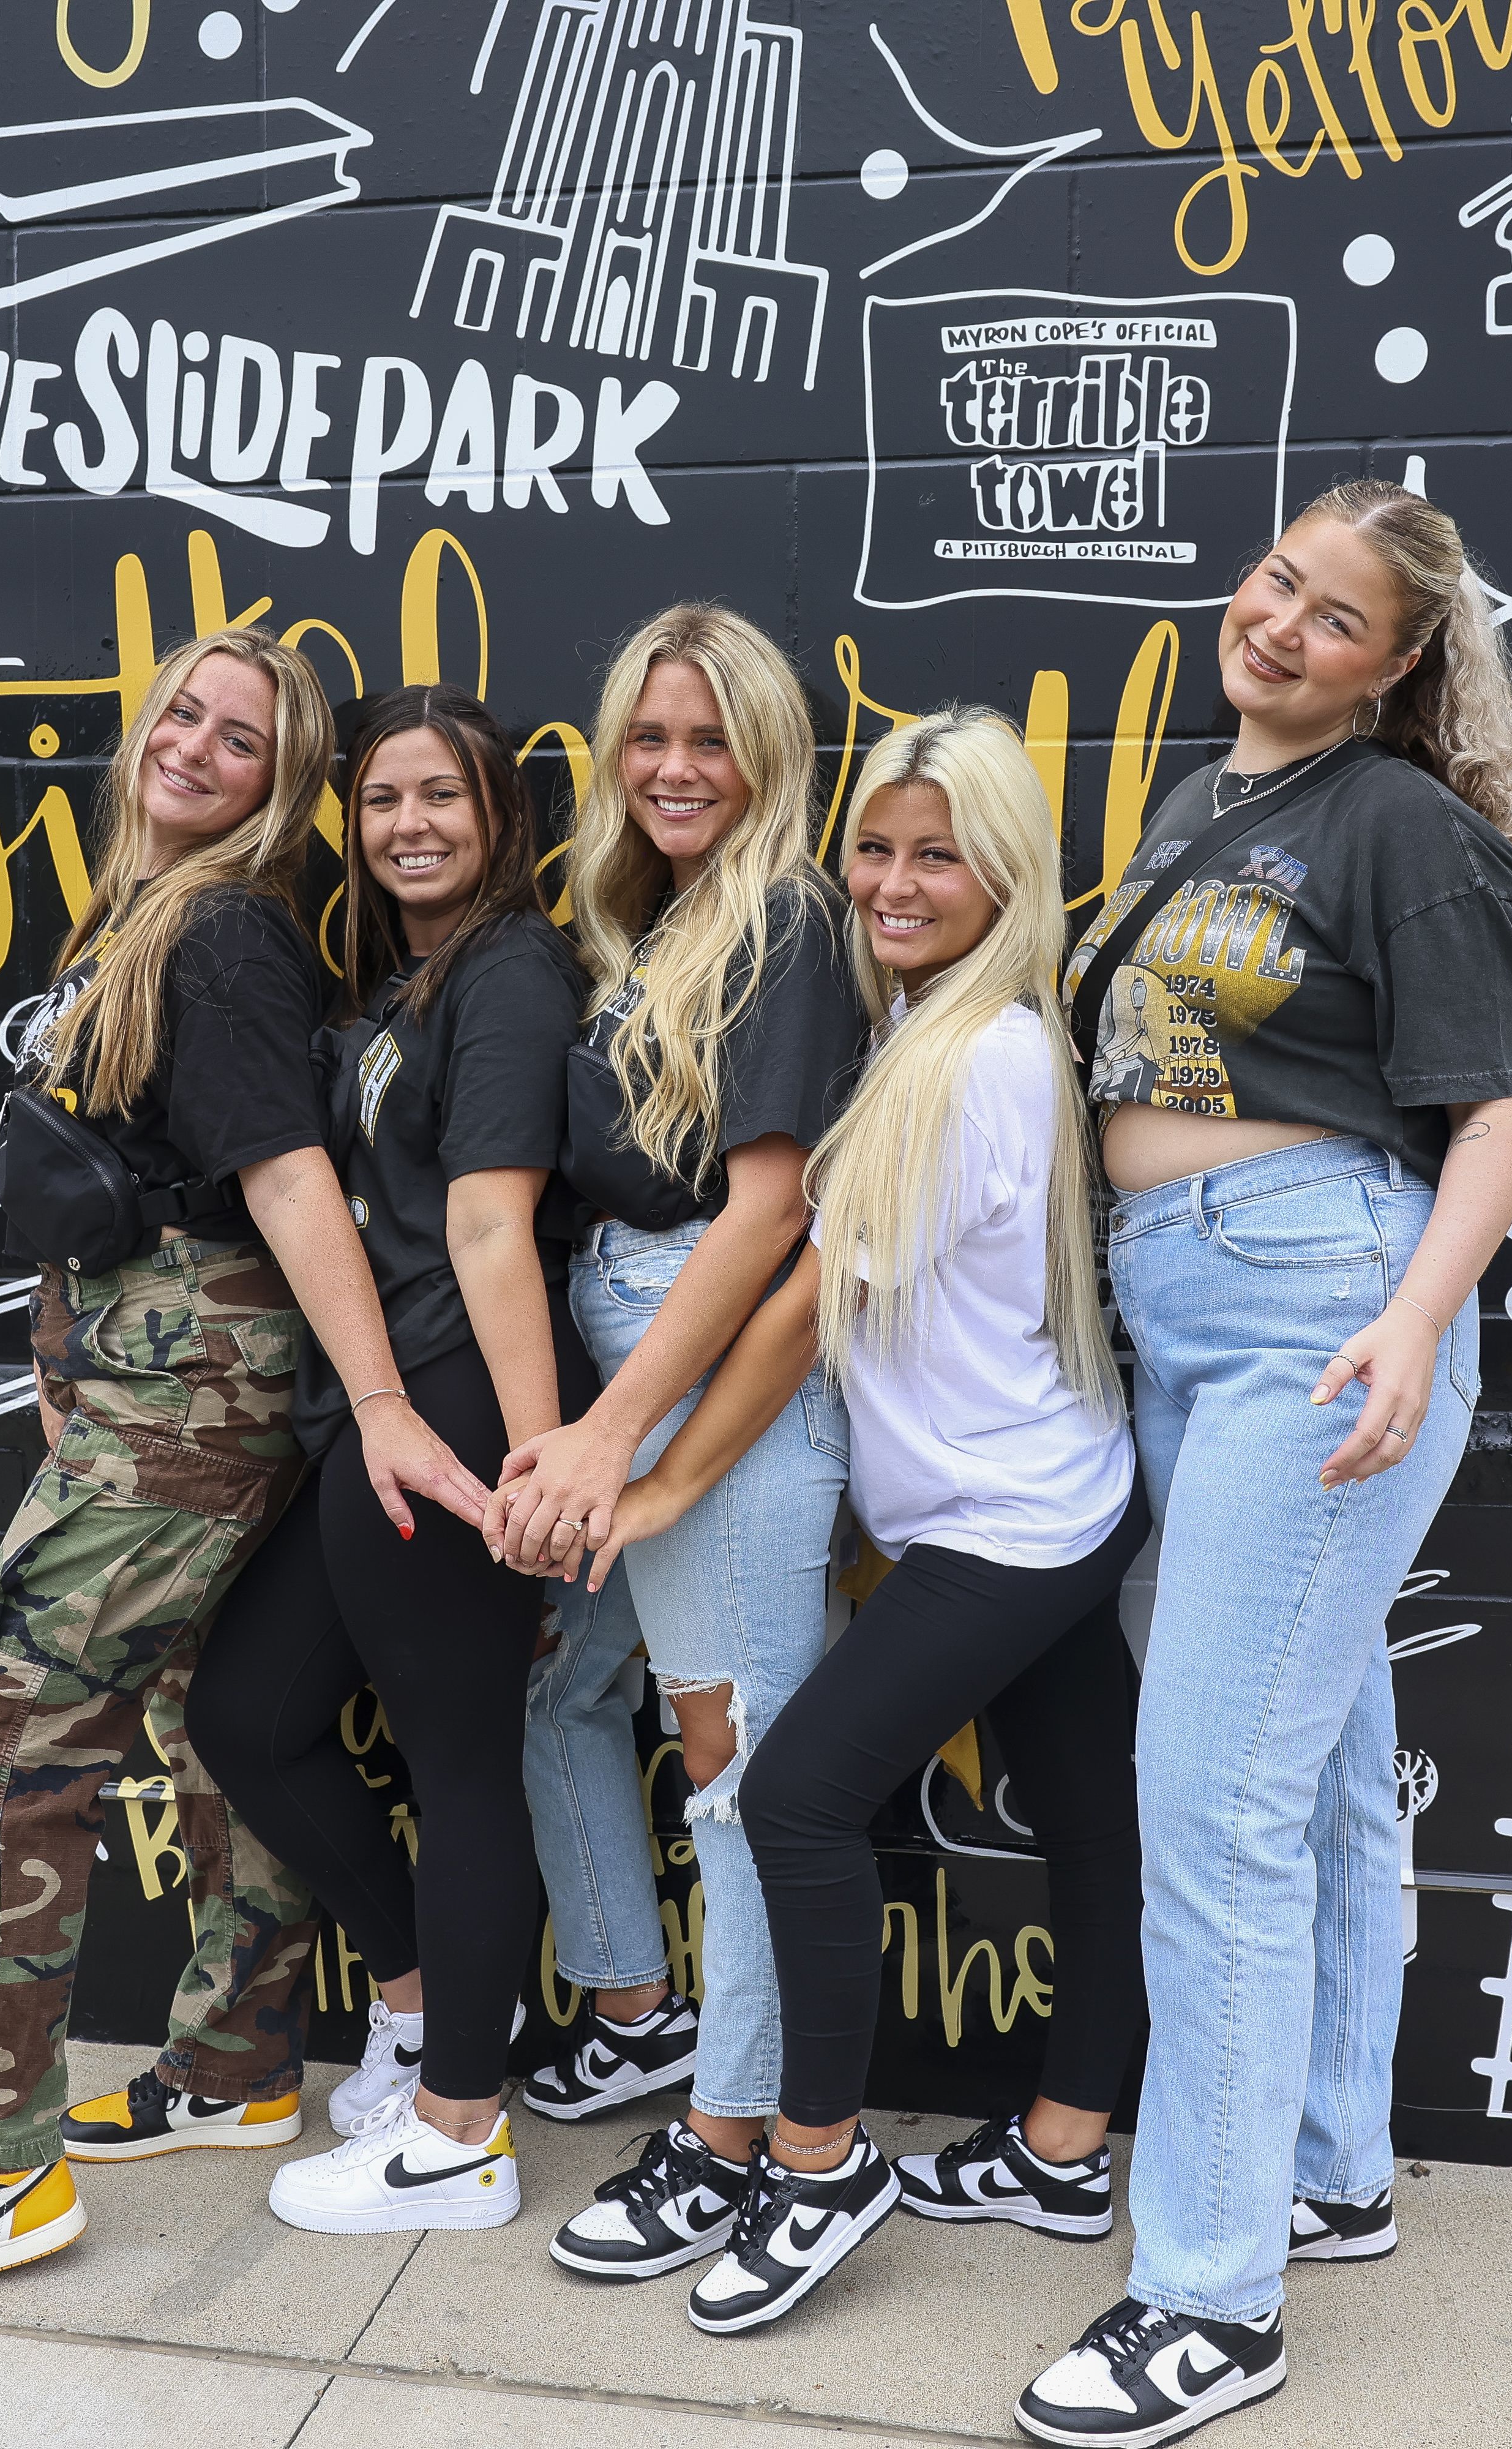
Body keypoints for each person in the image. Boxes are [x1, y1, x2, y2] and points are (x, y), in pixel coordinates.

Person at [0, 630, 492, 2310]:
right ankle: (243, 2060)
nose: (196, 744)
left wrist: (381, 1400)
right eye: (184, 709)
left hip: (196, 1371)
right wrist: (73, 1358)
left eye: (243, 739)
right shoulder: (153, 907)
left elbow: (285, 1183)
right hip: (149, 1358)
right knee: (192, 1714)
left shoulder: (232, 932)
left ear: (281, 790)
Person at [1008, 484, 1512, 2446]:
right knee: (1311, 1776)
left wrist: (1409, 1322)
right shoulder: (1200, 806)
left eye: (1334, 619)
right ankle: (1331, 2169)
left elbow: (1501, 1111)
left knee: (1212, 1800)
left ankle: (1209, 2303)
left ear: (1397, 666)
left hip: (1321, 1311)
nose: (1283, 624)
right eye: (1275, 583)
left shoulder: (1402, 824)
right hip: (1191, 1320)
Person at [513, 710, 1150, 2336]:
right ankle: (1072, 2146)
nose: (894, 878)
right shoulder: (937, 1025)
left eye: (941, 853)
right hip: (1046, 1497)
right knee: (1086, 1808)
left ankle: (814, 2164)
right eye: (877, 845)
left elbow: (796, 1311)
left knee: (792, 1805)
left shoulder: (974, 1061)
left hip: (1007, 1525)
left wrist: (658, 1479)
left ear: (1008, 871)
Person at [182, 688, 596, 2234]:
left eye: (444, 796)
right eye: (380, 801)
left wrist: (541, 1449)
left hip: (458, 1409)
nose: (409, 824)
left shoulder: (511, 973)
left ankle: (458, 2135)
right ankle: (423, 2010)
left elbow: (495, 1221)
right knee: (251, 1711)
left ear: (500, 815)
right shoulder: (403, 976)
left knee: (459, 1759)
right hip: (382, 1412)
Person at [488, 604, 861, 2281]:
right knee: (631, 1716)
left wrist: (609, 1439)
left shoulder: (786, 915)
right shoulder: (661, 924)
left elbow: (774, 1205)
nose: (674, 767)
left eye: (711, 738)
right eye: (649, 736)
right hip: (642, 1340)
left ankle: (742, 2141)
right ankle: (691, 2063)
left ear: (770, 752)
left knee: (739, 1770)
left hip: (708, 1364)